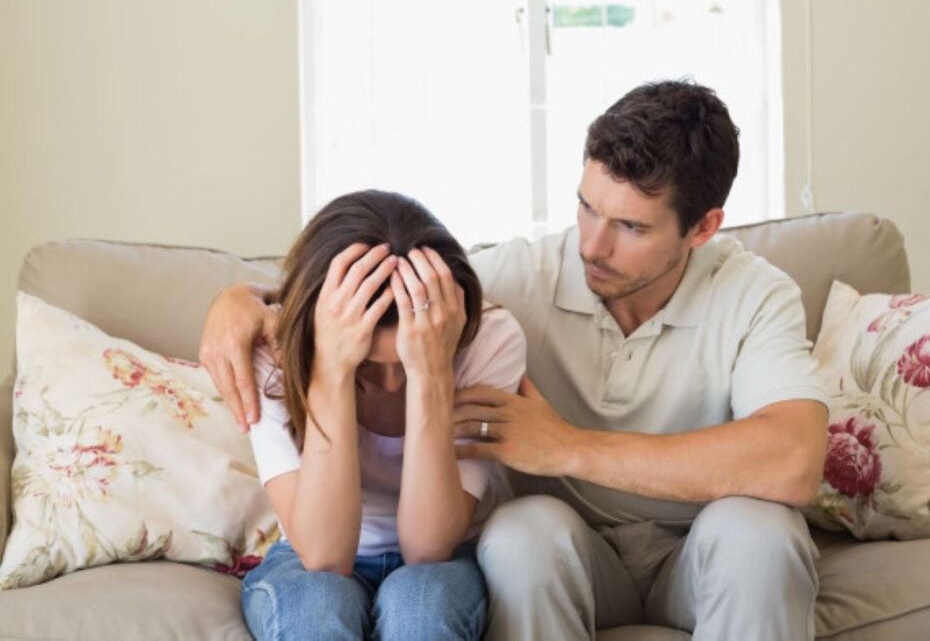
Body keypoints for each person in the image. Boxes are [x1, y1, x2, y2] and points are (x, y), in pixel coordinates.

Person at [202, 80, 829, 641]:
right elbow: (377, 291)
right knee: (523, 531)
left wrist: (568, 448)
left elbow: (795, 460)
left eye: (631, 228)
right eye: (587, 207)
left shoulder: (756, 294)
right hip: (573, 554)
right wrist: (240, 300)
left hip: (701, 552)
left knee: (760, 534)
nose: (593, 246)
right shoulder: (517, 278)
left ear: (704, 227)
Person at [235, 190, 526, 640]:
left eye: (404, 365)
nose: (391, 384)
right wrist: (332, 372)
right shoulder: (276, 352)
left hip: (444, 559)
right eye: (369, 367)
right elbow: (324, 557)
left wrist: (431, 373)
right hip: (307, 558)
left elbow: (428, 548)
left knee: (420, 608)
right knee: (315, 610)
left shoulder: (490, 339)